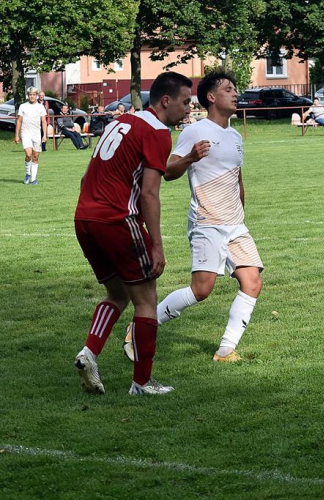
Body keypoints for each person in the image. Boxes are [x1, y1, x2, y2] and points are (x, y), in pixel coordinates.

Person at [73, 71, 195, 396]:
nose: (188, 108)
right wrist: (156, 245)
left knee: (117, 293)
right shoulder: (158, 131)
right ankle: (142, 382)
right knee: (146, 298)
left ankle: (89, 353)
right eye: (185, 102)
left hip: (85, 217)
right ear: (165, 101)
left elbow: (94, 171)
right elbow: (149, 193)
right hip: (116, 218)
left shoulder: (122, 121)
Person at [130, 71, 264, 363]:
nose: (235, 93)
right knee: (201, 290)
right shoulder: (194, 131)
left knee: (252, 282)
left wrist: (242, 212)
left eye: (235, 89)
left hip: (235, 224)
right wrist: (190, 157)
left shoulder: (235, 135)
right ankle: (139, 326)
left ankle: (226, 350)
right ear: (212, 98)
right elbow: (168, 171)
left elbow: (237, 179)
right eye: (228, 89)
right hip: (207, 221)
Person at [14, 87, 47, 185]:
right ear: (28, 96)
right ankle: (28, 174)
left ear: (36, 96)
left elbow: (44, 121)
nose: (32, 96)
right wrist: (16, 135)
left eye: (33, 95)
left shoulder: (41, 107)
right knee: (28, 154)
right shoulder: (23, 106)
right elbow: (19, 121)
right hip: (26, 134)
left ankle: (33, 179)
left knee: (36, 157)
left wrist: (44, 135)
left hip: (36, 134)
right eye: (30, 95)